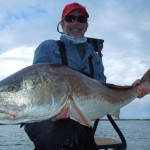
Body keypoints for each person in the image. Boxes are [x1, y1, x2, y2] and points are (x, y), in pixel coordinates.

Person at [24, 2, 150, 150]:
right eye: (70, 18)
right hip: (42, 120)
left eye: (81, 19)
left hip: (81, 124)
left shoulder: (94, 57)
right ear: (62, 23)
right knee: (68, 135)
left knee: (77, 136)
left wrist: (135, 90)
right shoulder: (47, 47)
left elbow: (102, 89)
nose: (76, 23)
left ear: (86, 25)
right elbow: (37, 82)